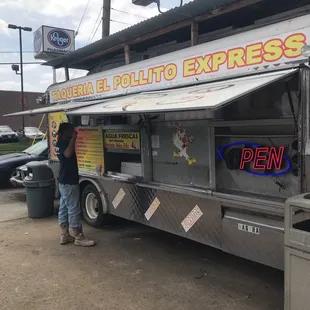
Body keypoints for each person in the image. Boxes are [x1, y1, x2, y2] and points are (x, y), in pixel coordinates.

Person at [56, 122, 95, 247]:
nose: (73, 132)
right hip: (68, 181)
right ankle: (79, 236)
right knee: (73, 208)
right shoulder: (63, 143)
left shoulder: (59, 143)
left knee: (64, 208)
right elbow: (68, 154)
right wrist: (74, 139)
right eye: (71, 131)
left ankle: (65, 235)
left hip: (64, 180)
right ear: (65, 132)